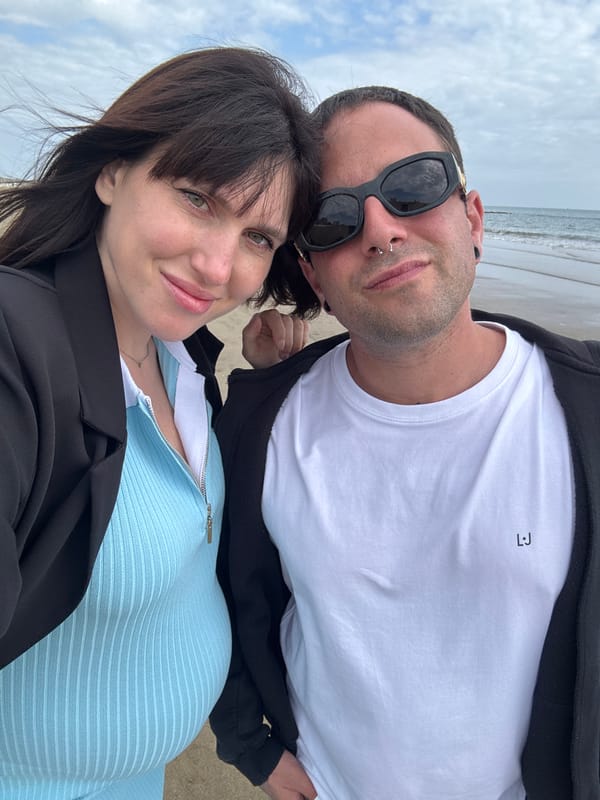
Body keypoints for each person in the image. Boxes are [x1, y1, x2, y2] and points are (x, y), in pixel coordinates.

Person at [209, 85, 600, 800]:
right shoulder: (259, 422)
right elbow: (209, 597)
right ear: (312, 274)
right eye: (334, 218)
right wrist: (252, 748)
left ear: (474, 217)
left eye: (413, 186)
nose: (382, 230)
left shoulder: (588, 412)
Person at [0, 46, 319, 799]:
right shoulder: (17, 345)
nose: (218, 267)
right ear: (112, 173)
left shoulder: (182, 360)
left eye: (257, 237)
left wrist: (264, 384)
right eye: (199, 198)